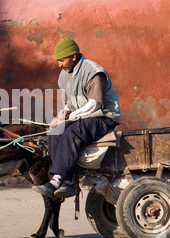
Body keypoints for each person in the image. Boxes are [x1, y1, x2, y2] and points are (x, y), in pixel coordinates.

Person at [32, 37, 121, 199]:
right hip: (83, 117)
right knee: (54, 132)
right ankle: (67, 181)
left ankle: (59, 179)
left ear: (74, 56)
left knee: (72, 133)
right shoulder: (64, 75)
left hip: (103, 117)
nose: (59, 64)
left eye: (62, 60)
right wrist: (60, 116)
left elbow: (95, 105)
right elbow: (70, 104)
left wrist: (69, 117)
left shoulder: (93, 72)